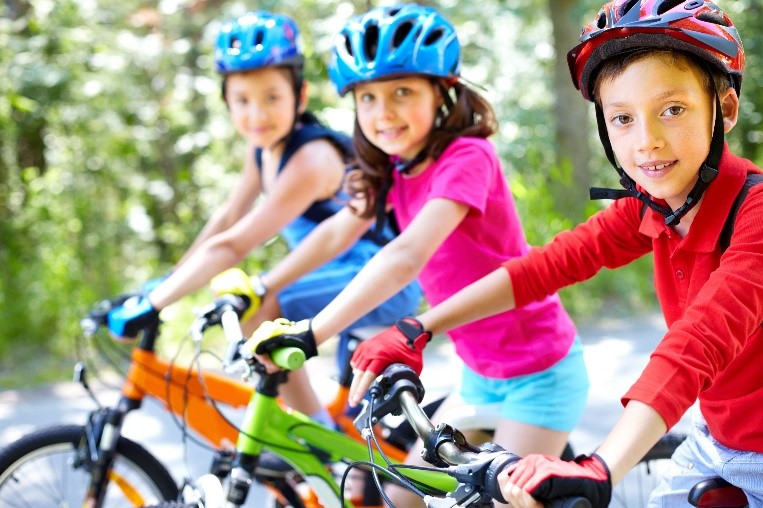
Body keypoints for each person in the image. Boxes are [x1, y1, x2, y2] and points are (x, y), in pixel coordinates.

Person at [343, 1, 762, 506]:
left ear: (727, 109)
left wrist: (601, 467)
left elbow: (699, 343)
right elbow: (543, 268)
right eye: (623, 118)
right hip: (714, 441)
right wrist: (419, 327)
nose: (647, 141)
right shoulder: (651, 208)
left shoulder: (754, 214)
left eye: (672, 110)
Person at [246, 4, 589, 506]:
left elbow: (407, 255)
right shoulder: (394, 169)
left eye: (402, 93)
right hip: (481, 376)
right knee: (402, 496)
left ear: (442, 91)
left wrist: (314, 330)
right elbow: (336, 233)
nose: (384, 112)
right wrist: (263, 288)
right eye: (368, 98)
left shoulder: (467, 157)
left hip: (539, 377)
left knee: (503, 500)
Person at [105, 10, 422, 431]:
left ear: (301, 96)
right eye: (242, 100)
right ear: (226, 102)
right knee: (265, 311)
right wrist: (167, 283)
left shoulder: (310, 158)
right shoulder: (264, 149)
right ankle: (316, 431)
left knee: (264, 309)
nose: (257, 114)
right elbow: (228, 219)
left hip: (381, 282)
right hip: (334, 277)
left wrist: (158, 302)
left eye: (272, 97)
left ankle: (312, 434)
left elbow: (236, 244)